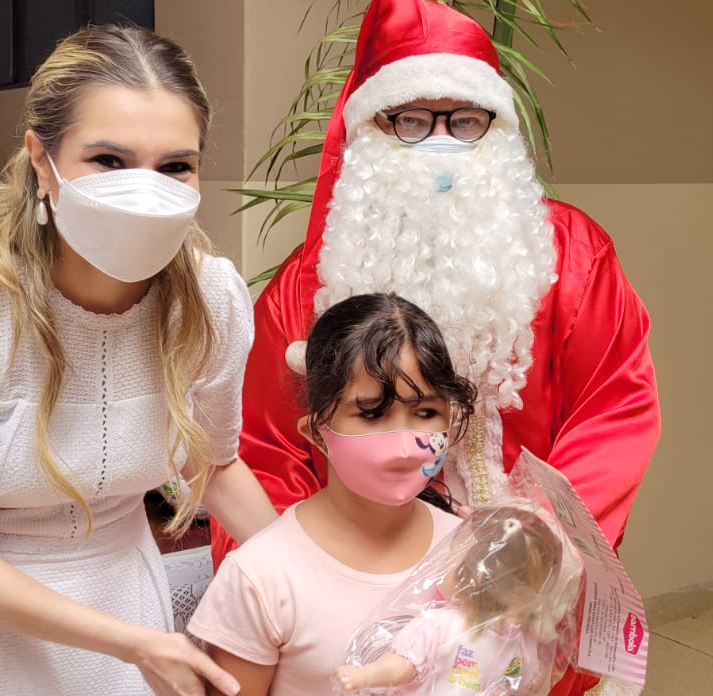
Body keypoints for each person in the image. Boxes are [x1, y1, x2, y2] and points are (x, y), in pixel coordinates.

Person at [210, 2, 660, 693]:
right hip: (359, 594)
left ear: (497, 128)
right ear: (370, 130)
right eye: (412, 120)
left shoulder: (574, 255)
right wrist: (313, 583)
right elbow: (266, 450)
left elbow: (615, 410)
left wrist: (530, 545)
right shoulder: (308, 284)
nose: (442, 142)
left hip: (529, 590)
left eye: (466, 120)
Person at [0, 24, 277, 696]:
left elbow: (213, 464)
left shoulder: (210, 298)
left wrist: (315, 575)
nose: (144, 191)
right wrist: (134, 645)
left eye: (174, 167)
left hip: (126, 605)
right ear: (41, 161)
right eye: (108, 160)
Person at [188, 292, 476, 695]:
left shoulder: (469, 553)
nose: (403, 444)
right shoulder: (261, 576)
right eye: (371, 413)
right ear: (317, 433)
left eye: (425, 413)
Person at [334, 506, 573, 696]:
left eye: (529, 590)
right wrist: (365, 676)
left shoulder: (521, 643)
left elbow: (522, 685)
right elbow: (403, 665)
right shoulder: (442, 626)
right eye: (519, 586)